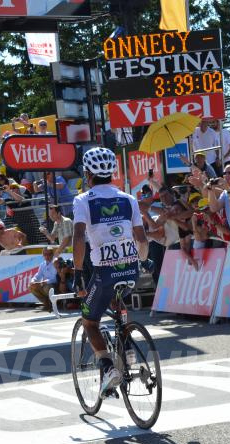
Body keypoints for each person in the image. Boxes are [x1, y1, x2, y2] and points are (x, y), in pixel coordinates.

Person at [72, 147, 149, 399]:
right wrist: (143, 260)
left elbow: (78, 236)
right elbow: (141, 237)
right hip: (131, 269)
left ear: (87, 173)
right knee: (117, 305)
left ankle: (107, 368)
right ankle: (126, 351)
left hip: (104, 272)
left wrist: (77, 272)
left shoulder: (83, 200)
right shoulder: (129, 199)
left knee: (90, 321)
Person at [29, 247, 58, 312]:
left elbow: (55, 278)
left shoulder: (55, 262)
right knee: (31, 286)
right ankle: (46, 304)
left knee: (47, 287)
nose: (47, 256)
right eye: (45, 254)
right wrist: (33, 281)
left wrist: (44, 282)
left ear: (53, 254)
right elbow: (38, 275)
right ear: (43, 255)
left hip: (55, 285)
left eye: (49, 254)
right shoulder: (42, 264)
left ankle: (53, 304)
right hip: (45, 284)